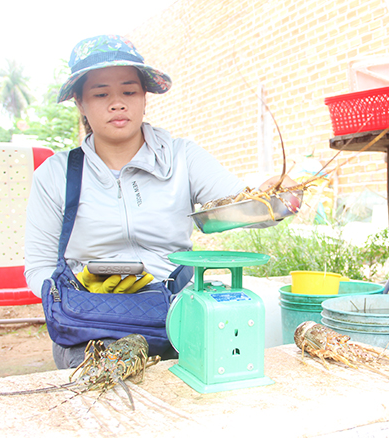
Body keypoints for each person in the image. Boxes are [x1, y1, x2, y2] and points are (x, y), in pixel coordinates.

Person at [24, 34, 290, 369]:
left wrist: (279, 200)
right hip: (92, 322)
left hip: (178, 313)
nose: (117, 103)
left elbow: (246, 206)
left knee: (214, 388)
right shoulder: (55, 174)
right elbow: (39, 267)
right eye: (101, 93)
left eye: (129, 91)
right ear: (80, 103)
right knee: (103, 403)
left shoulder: (183, 158)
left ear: (145, 98)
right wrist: (85, 294)